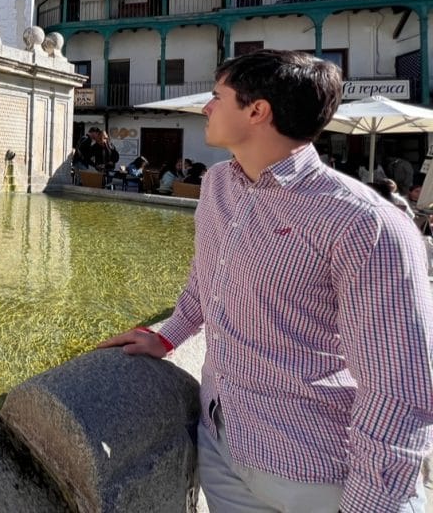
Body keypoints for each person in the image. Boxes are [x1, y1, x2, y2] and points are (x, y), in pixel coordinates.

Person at [98, 49, 433, 513]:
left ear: (258, 111)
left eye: (218, 97)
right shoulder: (218, 185)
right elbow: (204, 286)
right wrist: (166, 336)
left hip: (316, 472)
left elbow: (399, 390)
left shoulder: (365, 225)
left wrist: (371, 503)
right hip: (222, 447)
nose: (207, 107)